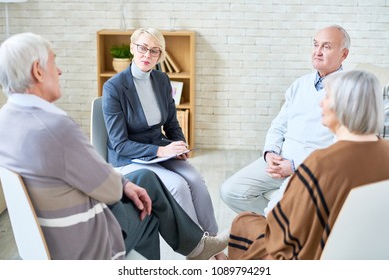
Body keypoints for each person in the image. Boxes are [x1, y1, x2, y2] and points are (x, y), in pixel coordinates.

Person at [0, 32, 228, 260]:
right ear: (38, 71)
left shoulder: (5, 119)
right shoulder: (56, 126)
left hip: (50, 233)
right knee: (148, 208)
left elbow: (89, 176)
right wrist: (124, 184)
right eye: (53, 62)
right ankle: (197, 250)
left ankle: (201, 246)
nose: (59, 71)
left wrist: (129, 181)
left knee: (149, 181)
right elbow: (106, 188)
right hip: (87, 238)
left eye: (154, 50)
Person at [228, 69, 389, 259]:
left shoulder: (321, 164)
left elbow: (284, 234)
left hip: (313, 255)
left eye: (327, 97)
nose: (321, 103)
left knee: (243, 221)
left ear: (345, 105)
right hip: (367, 253)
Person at [102, 27, 222, 251]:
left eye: (155, 51)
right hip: (128, 158)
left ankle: (212, 239)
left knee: (195, 179)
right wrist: (161, 152)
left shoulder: (161, 79)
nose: (147, 55)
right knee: (177, 186)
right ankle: (198, 248)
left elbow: (172, 124)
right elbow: (119, 143)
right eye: (143, 48)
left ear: (160, 56)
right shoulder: (114, 88)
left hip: (158, 150)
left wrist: (179, 146)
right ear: (132, 48)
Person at [220, 25, 351, 216]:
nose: (318, 52)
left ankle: (276, 227)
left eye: (326, 47)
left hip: (311, 169)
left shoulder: (349, 91)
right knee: (230, 191)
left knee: (278, 209)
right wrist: (270, 153)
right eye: (316, 45)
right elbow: (278, 125)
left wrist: (295, 165)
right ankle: (275, 227)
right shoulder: (300, 84)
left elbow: (340, 148)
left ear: (344, 54)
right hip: (279, 160)